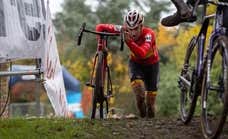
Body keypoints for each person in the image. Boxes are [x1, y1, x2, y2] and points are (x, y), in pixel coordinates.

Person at [96, 10, 159, 118]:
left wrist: (129, 41)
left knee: (150, 103)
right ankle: (143, 119)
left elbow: (142, 54)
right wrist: (102, 46)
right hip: (136, 64)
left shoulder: (149, 34)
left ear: (141, 26)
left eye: (136, 29)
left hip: (152, 65)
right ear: (126, 26)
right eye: (130, 29)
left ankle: (151, 122)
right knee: (139, 95)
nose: (133, 33)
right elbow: (100, 28)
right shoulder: (124, 30)